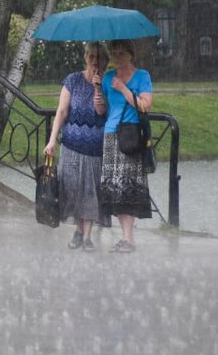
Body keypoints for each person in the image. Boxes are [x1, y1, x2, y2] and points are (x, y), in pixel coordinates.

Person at [44, 42, 110, 252]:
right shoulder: (72, 80)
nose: (94, 61)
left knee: (90, 192)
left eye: (98, 58)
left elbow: (101, 112)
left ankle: (87, 235)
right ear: (85, 57)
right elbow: (62, 112)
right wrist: (52, 140)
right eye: (90, 56)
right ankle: (79, 231)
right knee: (72, 189)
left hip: (94, 147)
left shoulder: (108, 83)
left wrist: (99, 88)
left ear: (105, 61)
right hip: (71, 145)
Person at [94, 39, 154, 253]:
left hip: (129, 137)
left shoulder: (142, 76)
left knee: (127, 187)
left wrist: (123, 88)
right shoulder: (108, 77)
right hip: (110, 135)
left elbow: (145, 106)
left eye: (121, 53)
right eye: (114, 53)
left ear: (131, 55)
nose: (117, 57)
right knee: (115, 189)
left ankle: (129, 239)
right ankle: (124, 238)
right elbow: (101, 111)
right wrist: (98, 90)